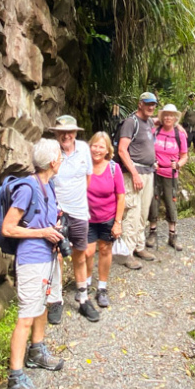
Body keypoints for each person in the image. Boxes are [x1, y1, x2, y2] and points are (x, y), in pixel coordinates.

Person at [1, 139, 65, 389]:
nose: (61, 160)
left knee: (42, 306)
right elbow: (8, 228)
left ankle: (36, 351)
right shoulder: (28, 188)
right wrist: (43, 232)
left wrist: (55, 228)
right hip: (31, 262)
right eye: (59, 156)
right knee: (26, 317)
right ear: (53, 162)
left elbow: (43, 220)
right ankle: (15, 381)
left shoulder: (48, 185)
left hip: (48, 259)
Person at [50, 115, 99, 323]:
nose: (66, 135)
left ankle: (82, 297)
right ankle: (55, 299)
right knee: (57, 256)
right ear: (56, 133)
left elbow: (88, 178)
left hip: (79, 211)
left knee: (81, 253)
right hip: (56, 212)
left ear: (76, 133)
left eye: (70, 132)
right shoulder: (52, 151)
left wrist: (76, 199)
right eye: (62, 132)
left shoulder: (84, 150)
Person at [117, 92, 158, 269]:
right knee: (132, 213)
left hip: (148, 172)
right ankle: (126, 253)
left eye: (153, 104)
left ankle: (139, 247)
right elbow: (122, 150)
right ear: (140, 104)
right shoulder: (130, 122)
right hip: (134, 174)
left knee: (143, 213)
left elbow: (166, 120)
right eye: (148, 104)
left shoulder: (148, 122)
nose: (151, 107)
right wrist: (133, 173)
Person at [85, 132, 125, 307]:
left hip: (107, 217)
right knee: (87, 252)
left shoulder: (113, 168)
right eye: (95, 145)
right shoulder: (84, 166)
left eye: (101, 147)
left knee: (104, 250)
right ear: (89, 146)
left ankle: (101, 287)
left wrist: (118, 222)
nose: (97, 150)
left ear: (107, 149)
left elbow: (121, 196)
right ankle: (84, 284)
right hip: (87, 218)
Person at [146, 104, 188, 251]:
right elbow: (143, 120)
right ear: (162, 116)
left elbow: (184, 156)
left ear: (176, 117)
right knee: (153, 201)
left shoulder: (179, 134)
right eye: (166, 115)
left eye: (171, 115)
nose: (168, 118)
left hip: (171, 174)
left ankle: (172, 235)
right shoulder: (155, 130)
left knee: (171, 203)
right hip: (155, 172)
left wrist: (178, 165)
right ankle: (152, 232)